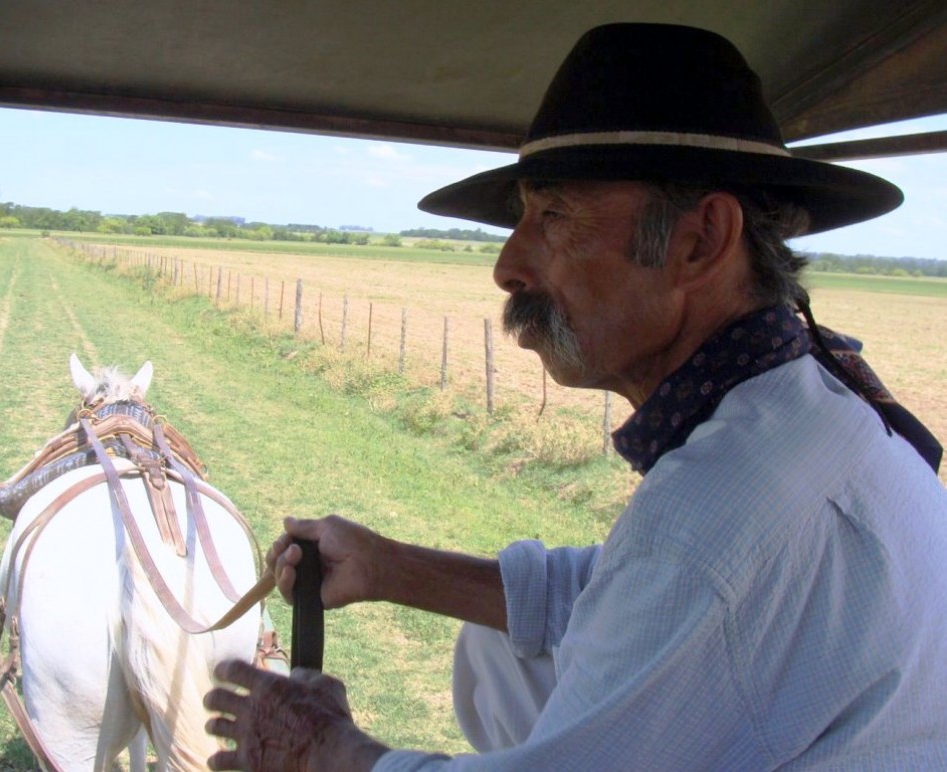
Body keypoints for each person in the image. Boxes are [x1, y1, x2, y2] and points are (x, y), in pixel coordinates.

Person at [203, 23, 947, 770]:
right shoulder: (807, 402)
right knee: (499, 650)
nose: (507, 265)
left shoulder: (718, 511)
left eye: (553, 216)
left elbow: (681, 576)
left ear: (700, 241)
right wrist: (388, 566)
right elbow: (626, 594)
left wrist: (325, 751)